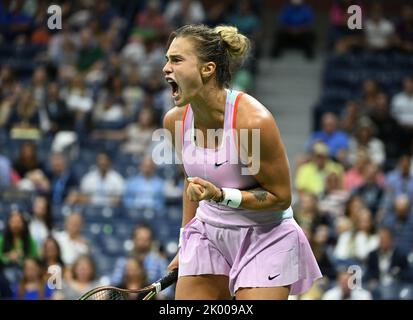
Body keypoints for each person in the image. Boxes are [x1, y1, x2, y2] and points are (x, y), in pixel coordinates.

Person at [163, 24, 322, 300]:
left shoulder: (251, 121)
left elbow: (280, 197)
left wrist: (222, 196)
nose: (166, 68)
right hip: (207, 236)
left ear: (207, 69)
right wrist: (184, 244)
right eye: (167, 59)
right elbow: (191, 185)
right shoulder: (174, 121)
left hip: (265, 236)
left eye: (176, 60)